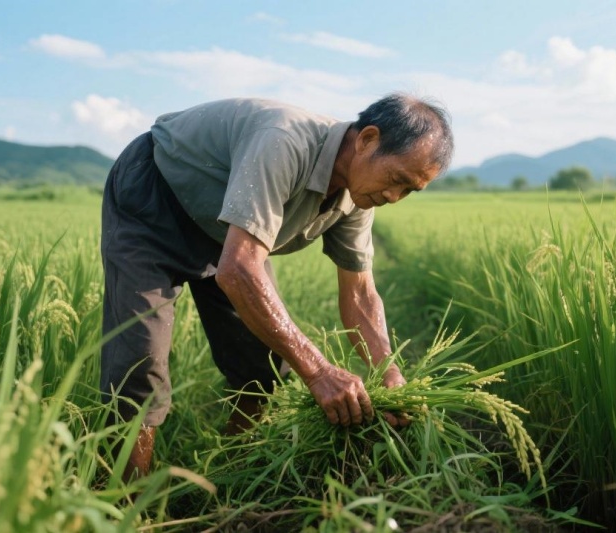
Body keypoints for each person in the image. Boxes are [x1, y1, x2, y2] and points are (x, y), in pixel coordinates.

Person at [100, 93, 454, 481]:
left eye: (408, 191)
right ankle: (125, 506)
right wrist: (319, 372)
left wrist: (388, 373)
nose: (393, 197)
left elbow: (360, 294)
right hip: (155, 200)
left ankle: (227, 477)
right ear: (367, 140)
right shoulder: (284, 141)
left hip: (226, 231)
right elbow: (239, 270)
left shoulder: (359, 195)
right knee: (139, 365)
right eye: (396, 180)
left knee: (262, 364)